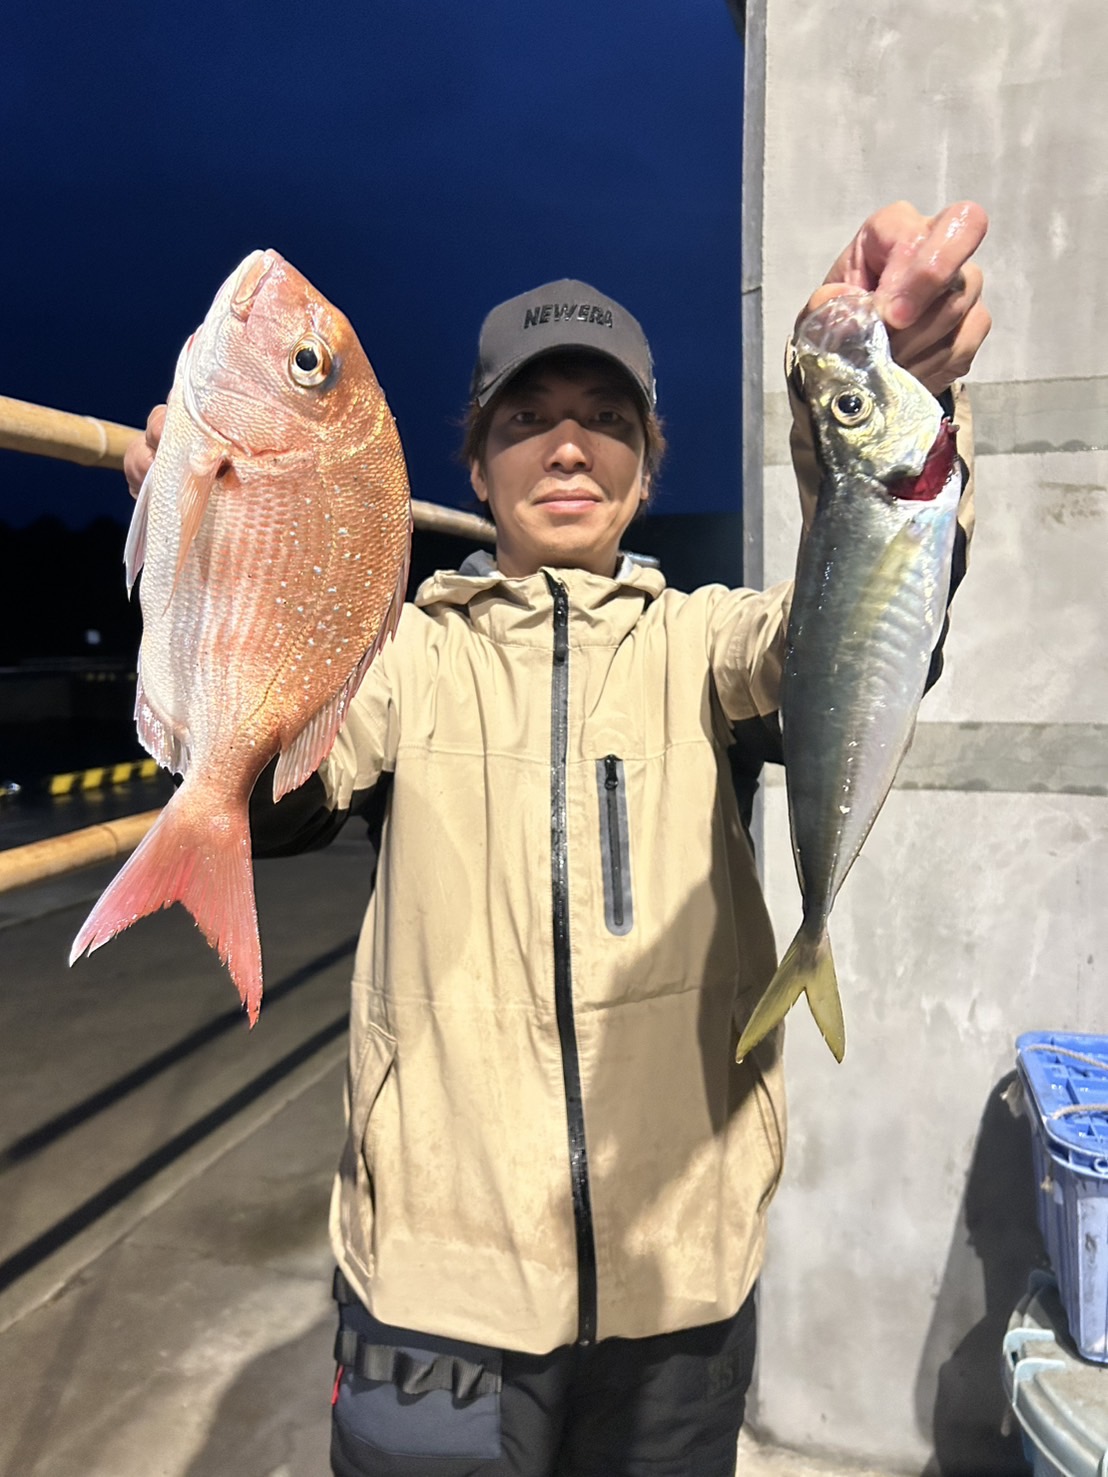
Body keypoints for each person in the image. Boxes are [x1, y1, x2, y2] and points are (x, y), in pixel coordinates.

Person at [124, 200, 991, 1477]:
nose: (569, 445)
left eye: (606, 418)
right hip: (437, 1292)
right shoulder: (401, 654)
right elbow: (275, 797)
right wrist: (211, 564)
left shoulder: (707, 642)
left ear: (647, 465)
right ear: (475, 468)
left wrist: (876, 411)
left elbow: (854, 635)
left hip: (679, 1270)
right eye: (526, 417)